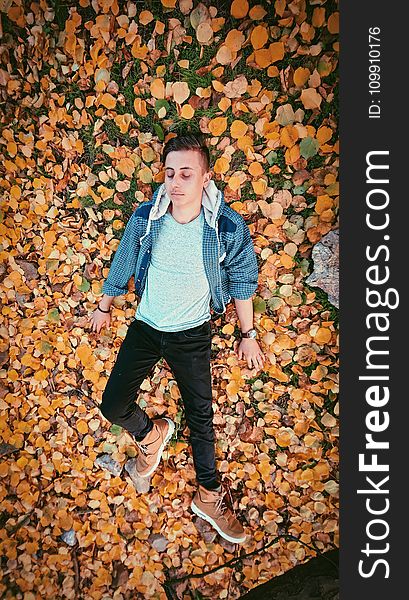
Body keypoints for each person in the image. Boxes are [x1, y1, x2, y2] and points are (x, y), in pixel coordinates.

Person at [89, 132, 265, 544]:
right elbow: (124, 260)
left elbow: (242, 279)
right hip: (146, 327)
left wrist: (248, 333)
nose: (176, 182)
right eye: (170, 173)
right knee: (113, 404)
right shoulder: (147, 217)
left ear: (205, 177)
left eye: (186, 173)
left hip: (191, 335)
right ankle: (151, 434)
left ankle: (208, 494)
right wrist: (104, 304)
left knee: (201, 419)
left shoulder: (225, 224)